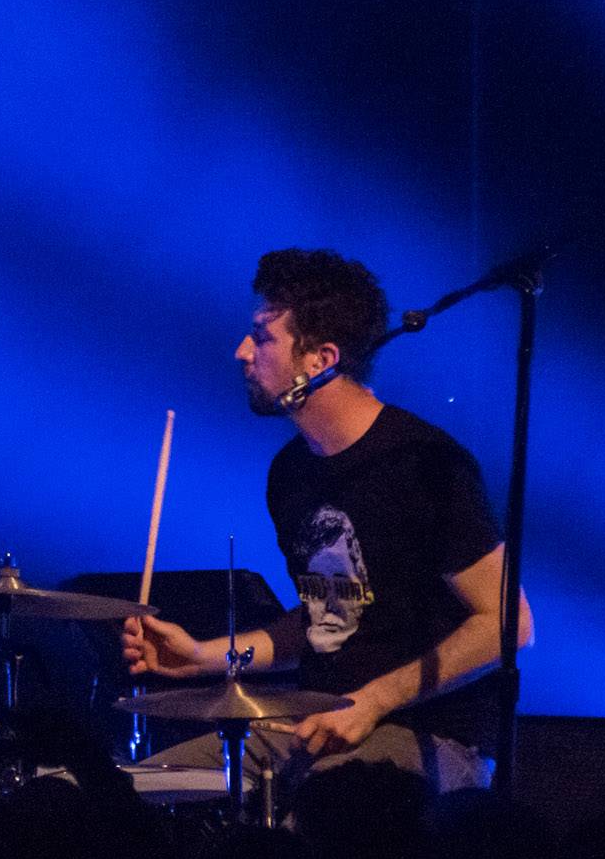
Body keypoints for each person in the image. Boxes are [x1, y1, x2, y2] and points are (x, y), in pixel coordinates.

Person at [121, 248, 532, 793]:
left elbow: (509, 623)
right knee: (139, 790)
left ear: (321, 360)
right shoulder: (290, 473)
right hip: (312, 726)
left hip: (425, 739)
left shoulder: (423, 463)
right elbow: (328, 614)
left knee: (312, 813)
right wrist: (204, 657)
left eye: (263, 336)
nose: (242, 351)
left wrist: (371, 702)